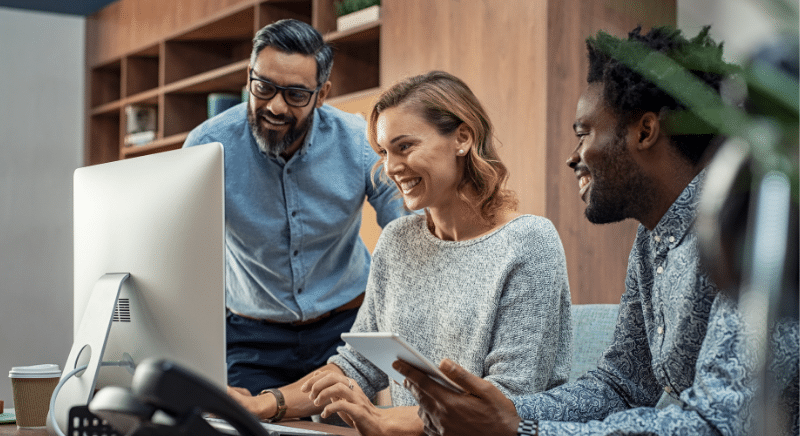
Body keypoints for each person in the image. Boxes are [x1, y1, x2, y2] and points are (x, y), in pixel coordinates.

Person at [395, 26, 799, 435]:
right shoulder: (652, 239)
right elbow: (621, 386)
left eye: (584, 133)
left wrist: (523, 431)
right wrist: (506, 413)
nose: (573, 157)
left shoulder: (754, 224)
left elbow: (715, 424)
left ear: (645, 131)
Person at [227, 71, 573, 435]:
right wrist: (267, 403)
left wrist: (382, 420)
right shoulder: (397, 240)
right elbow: (356, 365)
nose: (390, 168)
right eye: (383, 152)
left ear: (463, 138)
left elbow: (508, 402)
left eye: (404, 147)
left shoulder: (529, 242)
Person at [182, 19, 407, 394]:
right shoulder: (207, 146)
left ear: (322, 94)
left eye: (296, 95)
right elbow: (181, 248)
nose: (275, 106)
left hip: (345, 329)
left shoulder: (357, 142)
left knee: (344, 422)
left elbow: (406, 230)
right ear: (249, 75)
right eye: (264, 87)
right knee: (250, 421)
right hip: (252, 338)